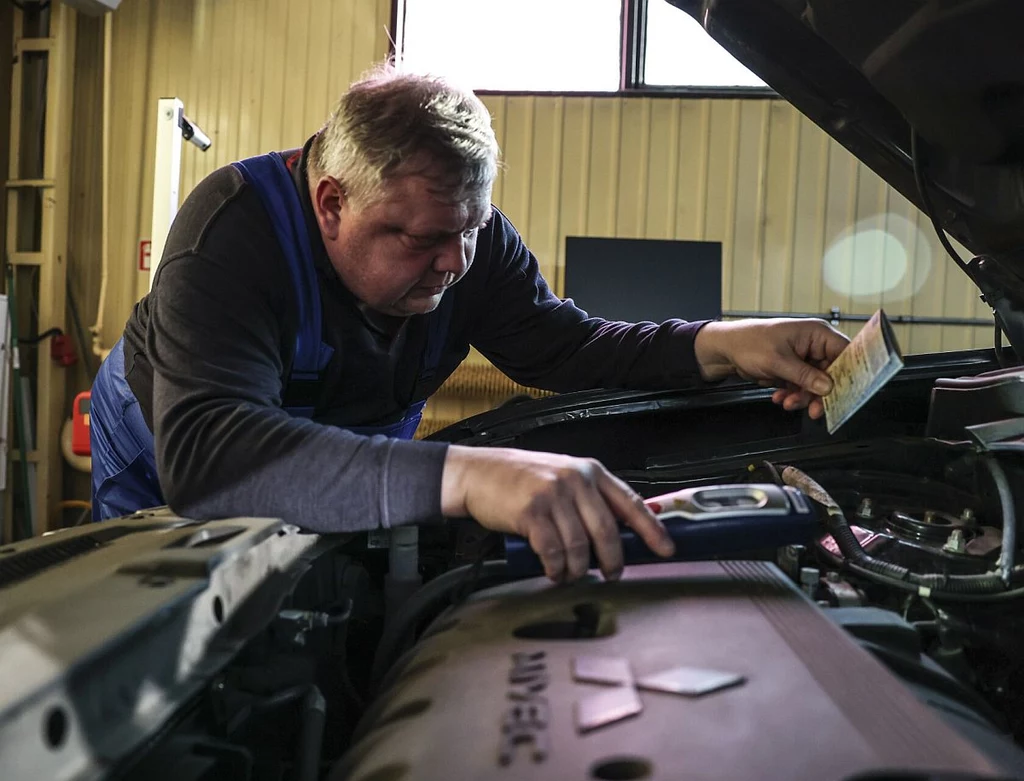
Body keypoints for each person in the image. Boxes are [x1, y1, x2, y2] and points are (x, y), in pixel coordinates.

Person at [90, 62, 849, 584]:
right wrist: (468, 472)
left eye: (473, 228)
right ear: (331, 203)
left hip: (355, 457)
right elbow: (210, 456)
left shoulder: (462, 239)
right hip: (163, 465)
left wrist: (723, 343)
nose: (455, 264)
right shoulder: (230, 234)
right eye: (420, 240)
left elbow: (565, 346)